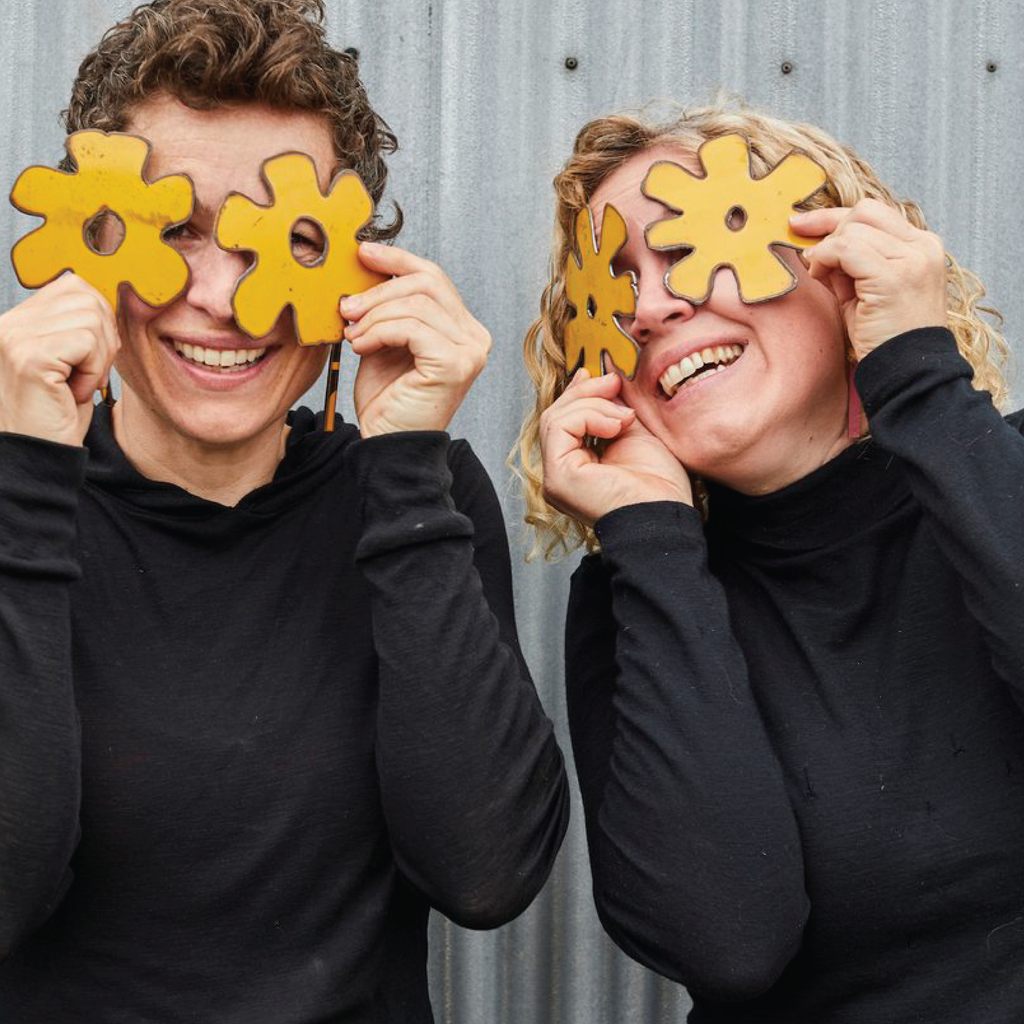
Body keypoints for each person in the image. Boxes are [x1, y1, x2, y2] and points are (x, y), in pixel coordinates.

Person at [0, 2, 569, 1021]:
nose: (224, 296)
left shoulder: (417, 495)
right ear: (88, 244)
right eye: (172, 231)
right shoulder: (15, 497)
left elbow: (485, 875)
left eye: (287, 238)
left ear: (354, 269)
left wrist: (404, 461)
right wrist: (28, 480)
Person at [517, 100, 1024, 1023]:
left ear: (839, 264)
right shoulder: (637, 589)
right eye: (613, 283)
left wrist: (916, 369)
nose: (654, 306)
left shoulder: (1003, 476)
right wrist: (654, 537)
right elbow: (727, 944)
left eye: (690, 246)